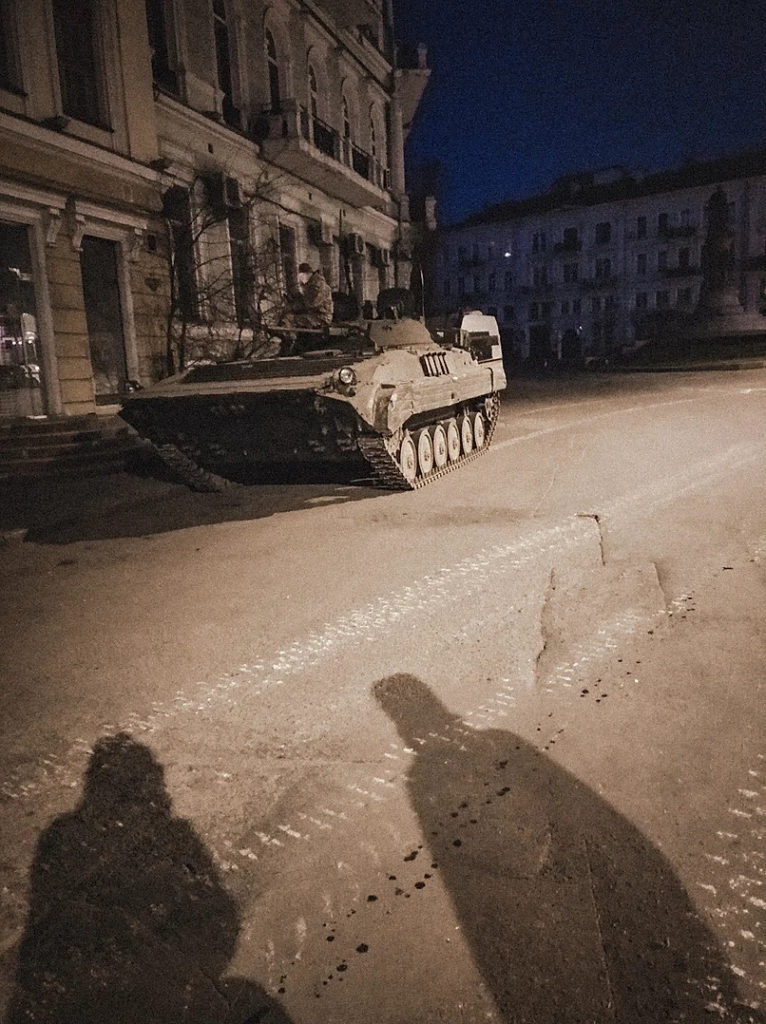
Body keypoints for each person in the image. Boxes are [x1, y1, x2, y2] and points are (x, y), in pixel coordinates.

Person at [284, 262, 333, 328]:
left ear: (307, 274)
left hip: (322, 317)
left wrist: (294, 307)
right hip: (314, 315)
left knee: (290, 319)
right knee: (290, 316)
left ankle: (287, 337)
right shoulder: (311, 284)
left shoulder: (318, 285)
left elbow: (311, 303)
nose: (300, 278)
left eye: (301, 275)